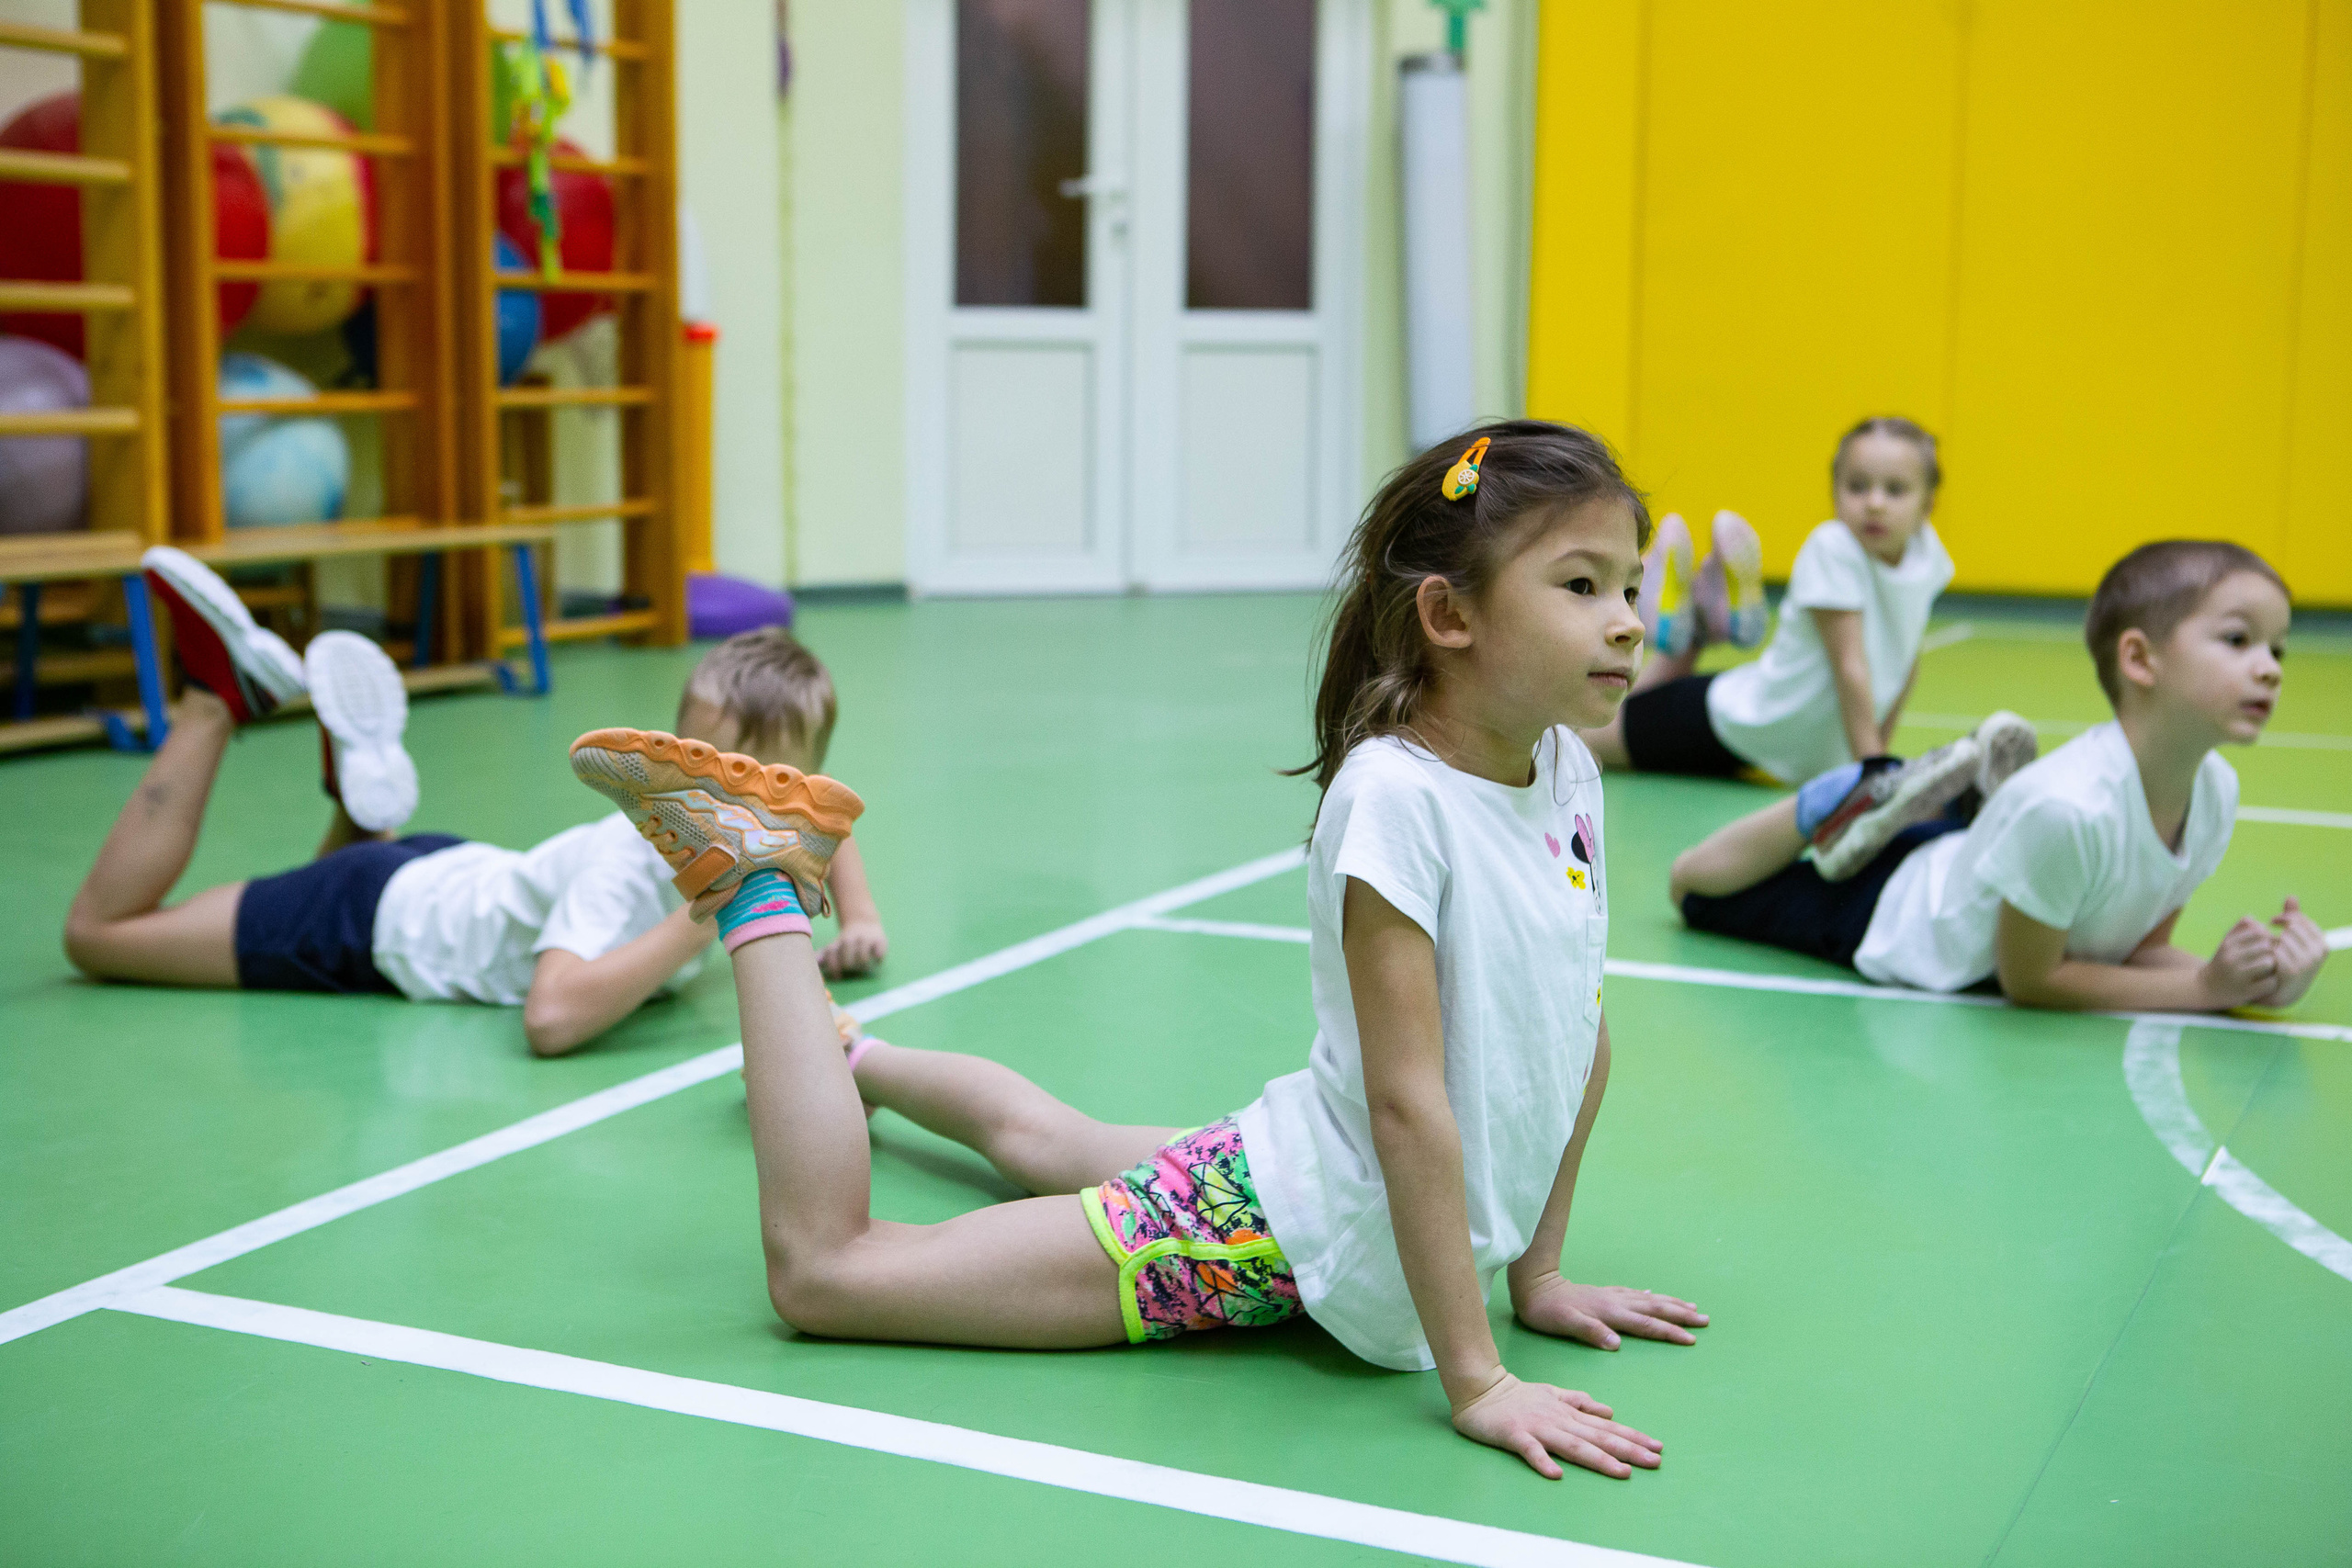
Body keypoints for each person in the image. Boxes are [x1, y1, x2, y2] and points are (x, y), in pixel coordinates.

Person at [568, 422, 1707, 1482]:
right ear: (1448, 617)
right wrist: (1482, 1378)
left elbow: (1574, 1034)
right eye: (1579, 585)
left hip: (1317, 1176)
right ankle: (761, 878)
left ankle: (849, 1062)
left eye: (1629, 586)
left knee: (1050, 1139)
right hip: (1276, 1229)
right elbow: (1409, 1108)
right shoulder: (1396, 803)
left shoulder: (1564, 773)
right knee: (832, 1275)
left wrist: (1539, 1273)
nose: (1625, 619)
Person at [61, 547, 888, 1056]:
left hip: (439, 870)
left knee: (312, 886)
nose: (739, 800)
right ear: (665, 759)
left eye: (763, 791)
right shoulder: (627, 870)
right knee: (101, 935)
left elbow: (819, 829)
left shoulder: (761, 827)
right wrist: (703, 912)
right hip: (370, 920)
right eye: (709, 773)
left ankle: (358, 799)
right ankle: (217, 699)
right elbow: (551, 1019)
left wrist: (861, 920)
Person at [1668, 540, 2330, 1011]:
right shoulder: (2070, 809)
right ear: (2139, 659)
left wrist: (2264, 981)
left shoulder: (2214, 792)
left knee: (2003, 835)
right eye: (2239, 640)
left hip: (1965, 866)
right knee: (1693, 890)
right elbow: (2033, 979)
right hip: (1892, 915)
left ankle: (1953, 807)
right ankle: (1839, 797)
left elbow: (2139, 950)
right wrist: (2204, 990)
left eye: (2278, 647)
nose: (2270, 667)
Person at [1585, 416, 1953, 783]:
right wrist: (1874, 770)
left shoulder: (1928, 556)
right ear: (1835, 491)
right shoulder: (1835, 547)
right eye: (1857, 487)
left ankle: (1698, 621)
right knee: (1578, 741)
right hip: (1732, 723)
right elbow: (1849, 666)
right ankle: (1688, 612)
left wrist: (1879, 757)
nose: (1874, 503)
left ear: (1928, 504)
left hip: (1762, 741)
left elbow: (1907, 664)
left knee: (1620, 720)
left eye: (1895, 490)